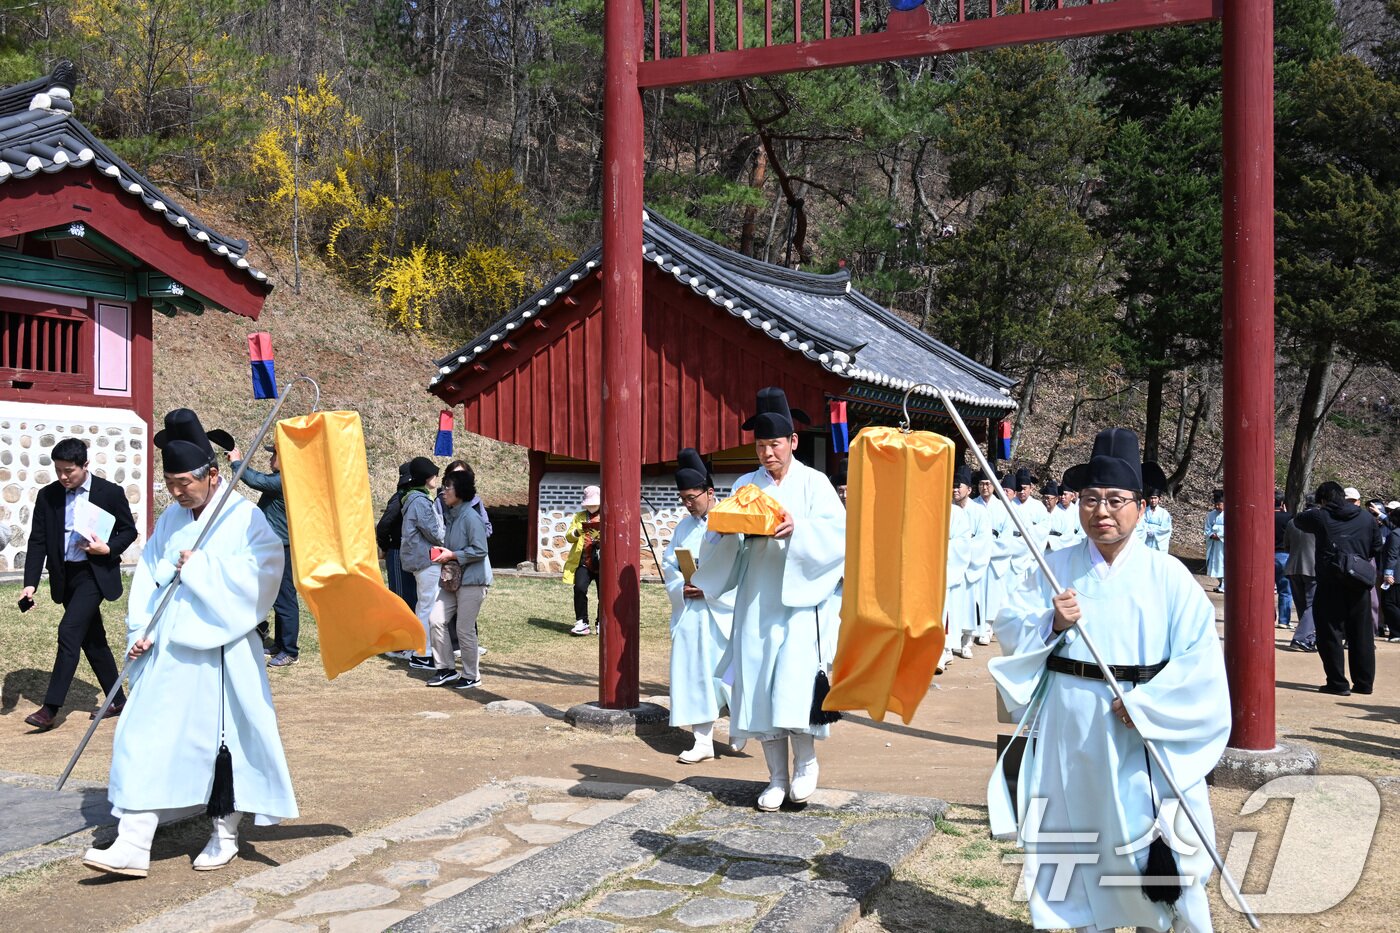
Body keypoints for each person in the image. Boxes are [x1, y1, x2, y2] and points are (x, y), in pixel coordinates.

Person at [990, 427, 1229, 933]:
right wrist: (1051, 623)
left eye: (1116, 500)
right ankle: (1078, 922)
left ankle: (1160, 920)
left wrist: (1150, 704)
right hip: (1070, 721)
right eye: (1091, 499)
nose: (1102, 511)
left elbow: (1200, 662)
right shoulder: (1052, 568)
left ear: (1140, 507)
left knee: (1154, 834)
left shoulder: (1170, 577)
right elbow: (1010, 626)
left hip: (1141, 726)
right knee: (1073, 828)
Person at [82, 409, 297, 877]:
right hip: (170, 646)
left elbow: (265, 574)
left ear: (212, 475)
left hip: (224, 650)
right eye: (171, 484)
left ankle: (224, 833)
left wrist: (202, 568)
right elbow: (148, 578)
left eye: (185, 483)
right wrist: (141, 630)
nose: (178, 492)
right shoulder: (171, 518)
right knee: (143, 734)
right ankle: (133, 841)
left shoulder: (244, 517)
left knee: (226, 741)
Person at [692, 387, 845, 811]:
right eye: (760, 446)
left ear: (793, 441)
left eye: (774, 444)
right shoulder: (745, 484)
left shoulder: (815, 483)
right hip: (756, 597)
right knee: (759, 684)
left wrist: (800, 529)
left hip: (800, 603)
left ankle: (806, 763)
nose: (767, 454)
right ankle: (776, 776)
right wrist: (724, 530)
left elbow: (839, 536)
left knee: (794, 681)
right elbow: (719, 538)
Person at [20, 437, 138, 732]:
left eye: (68, 471)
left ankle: (50, 709)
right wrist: (30, 584)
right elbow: (37, 541)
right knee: (92, 639)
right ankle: (118, 700)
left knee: (69, 631)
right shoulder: (48, 496)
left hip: (94, 574)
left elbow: (129, 530)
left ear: (85, 465)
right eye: (58, 470)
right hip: (65, 576)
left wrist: (107, 549)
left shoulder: (109, 493)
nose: (63, 476)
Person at [662, 448, 733, 762]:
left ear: (710, 492)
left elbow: (740, 565)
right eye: (683, 499)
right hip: (692, 612)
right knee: (694, 674)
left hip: (724, 612)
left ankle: (741, 728)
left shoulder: (730, 521)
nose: (688, 504)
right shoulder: (683, 527)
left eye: (692, 497)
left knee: (729, 675)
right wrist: (682, 585)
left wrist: (711, 587)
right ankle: (702, 741)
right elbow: (669, 564)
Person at [1295, 481, 1384, 695]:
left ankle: (1337, 683)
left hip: (1330, 581)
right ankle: (1364, 683)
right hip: (1359, 581)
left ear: (1323, 500)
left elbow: (1298, 520)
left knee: (1329, 632)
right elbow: (1376, 547)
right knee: (1362, 633)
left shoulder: (1320, 516)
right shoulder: (1366, 517)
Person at [229, 444, 299, 667]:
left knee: (285, 598)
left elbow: (254, 480)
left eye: (275, 454)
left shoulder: (284, 480)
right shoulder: (282, 478)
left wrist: (237, 462)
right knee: (277, 597)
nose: (271, 459)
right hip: (275, 546)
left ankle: (290, 651)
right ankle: (280, 644)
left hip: (282, 547)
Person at [425, 469, 492, 689]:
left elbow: (480, 550)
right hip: (452, 580)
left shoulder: (471, 517)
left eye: (448, 487)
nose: (443, 492)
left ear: (460, 491)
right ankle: (445, 669)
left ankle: (472, 675)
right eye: (443, 487)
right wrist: (443, 553)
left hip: (473, 581)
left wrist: (453, 555)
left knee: (464, 629)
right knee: (436, 619)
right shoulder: (452, 515)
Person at [397, 457, 443, 668]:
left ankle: (423, 651)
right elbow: (435, 533)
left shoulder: (412, 499)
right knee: (428, 606)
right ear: (426, 477)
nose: (436, 478)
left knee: (424, 605)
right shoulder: (421, 501)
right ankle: (422, 653)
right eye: (434, 474)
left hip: (420, 560)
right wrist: (448, 533)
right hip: (426, 560)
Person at [945, 465, 991, 665]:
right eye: (953, 486)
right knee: (951, 607)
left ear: (969, 490)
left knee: (970, 605)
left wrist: (964, 549)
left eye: (959, 486)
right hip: (952, 565)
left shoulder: (979, 511)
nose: (955, 489)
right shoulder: (948, 510)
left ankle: (967, 641)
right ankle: (948, 644)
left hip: (970, 567)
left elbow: (983, 540)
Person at [376, 462, 417, 611]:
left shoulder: (415, 497)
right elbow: (383, 526)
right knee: (400, 599)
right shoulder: (399, 498)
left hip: (411, 553)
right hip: (397, 552)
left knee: (413, 598)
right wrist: (387, 546)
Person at [563, 485, 602, 636]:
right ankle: (582, 621)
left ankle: (601, 622)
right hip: (583, 560)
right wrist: (578, 531)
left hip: (602, 562)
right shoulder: (579, 517)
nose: (591, 507)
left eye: (594, 503)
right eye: (589, 504)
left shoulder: (606, 514)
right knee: (579, 589)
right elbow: (569, 537)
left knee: (604, 594)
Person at [1284, 498, 1319, 652]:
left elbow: (1286, 545)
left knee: (1302, 605)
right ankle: (1301, 637)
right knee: (1313, 604)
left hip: (1293, 567)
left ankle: (1307, 637)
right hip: (1313, 568)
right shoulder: (1320, 522)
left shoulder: (1292, 522)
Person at [1273, 491, 1294, 629]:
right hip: (1284, 555)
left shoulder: (1264, 515)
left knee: (1267, 590)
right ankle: (1284, 620)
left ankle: (1268, 617)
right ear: (1282, 503)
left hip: (1266, 555)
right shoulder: (1289, 517)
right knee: (1285, 589)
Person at [1381, 502, 1400, 642]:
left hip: (1396, 574)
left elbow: (1392, 555)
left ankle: (1397, 632)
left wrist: (1388, 573)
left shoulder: (1395, 534)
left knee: (1388, 603)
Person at [1204, 490, 1226, 592]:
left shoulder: (1230, 514)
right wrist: (1212, 535)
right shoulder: (1211, 514)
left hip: (1223, 544)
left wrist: (1220, 535)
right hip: (1214, 543)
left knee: (1223, 562)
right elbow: (1207, 527)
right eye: (1216, 504)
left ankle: (1225, 584)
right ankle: (1221, 583)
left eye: (1219, 504)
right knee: (1215, 563)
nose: (1217, 507)